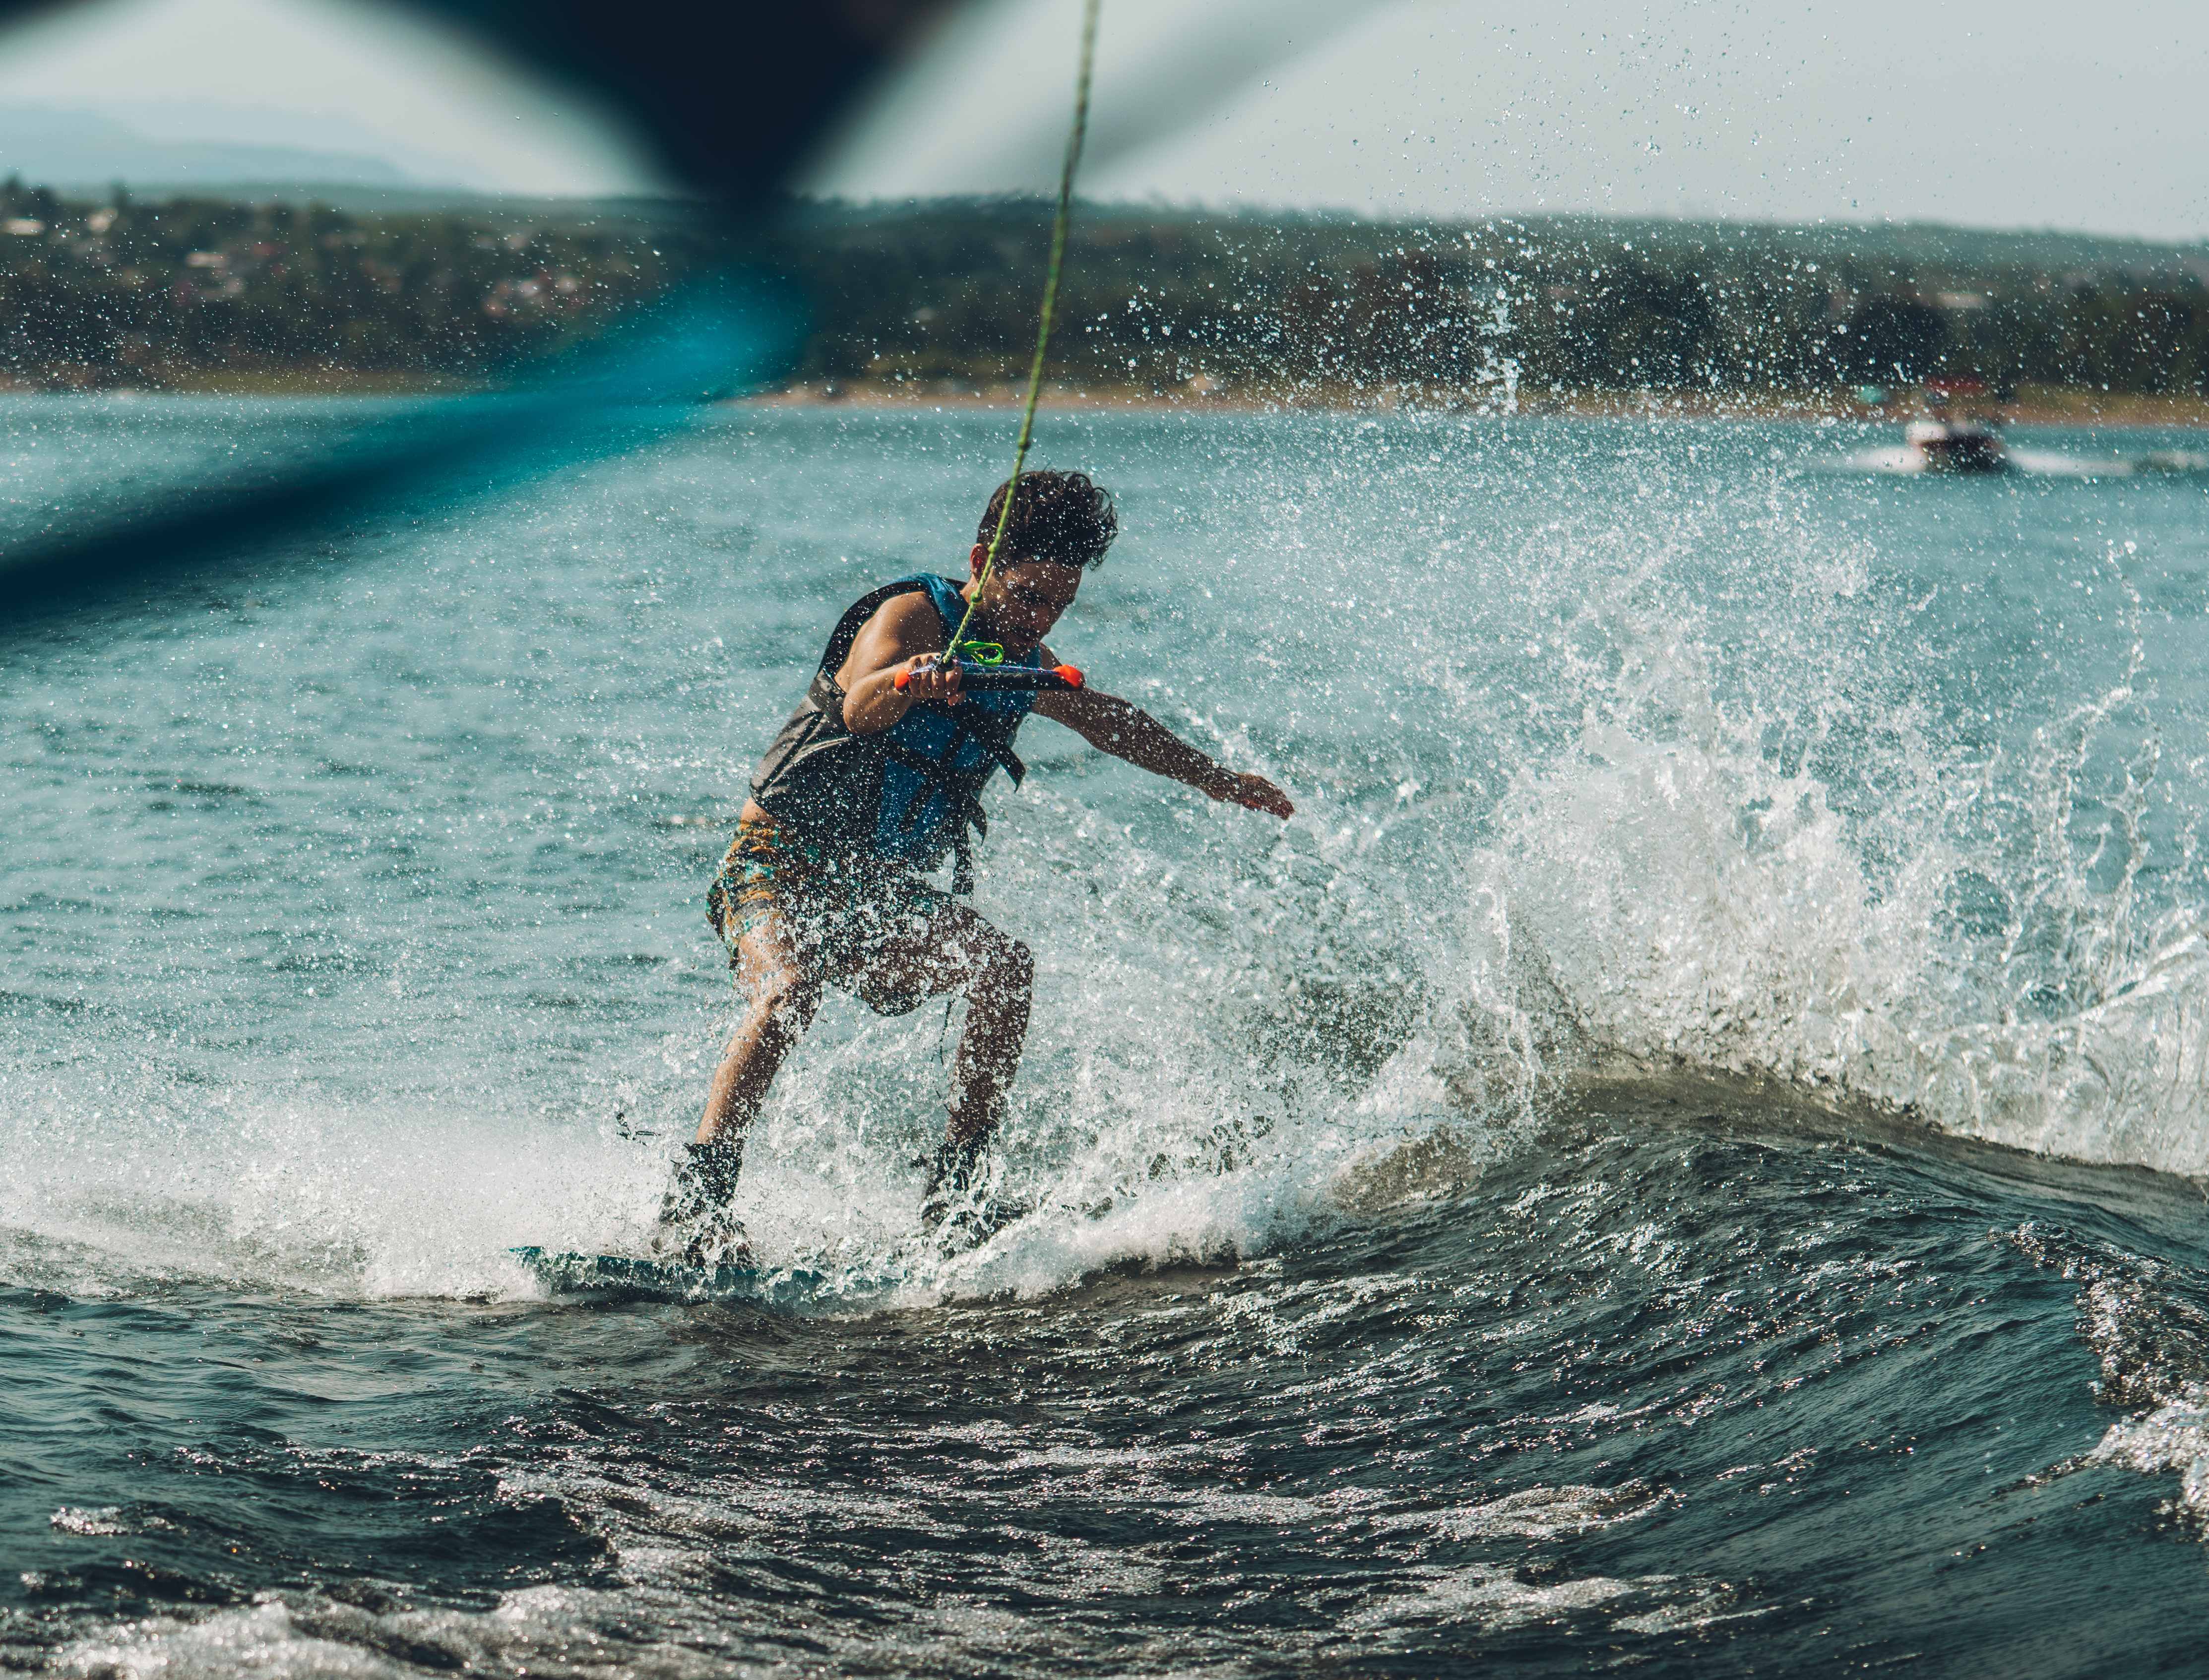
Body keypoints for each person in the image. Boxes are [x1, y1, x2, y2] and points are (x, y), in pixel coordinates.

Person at [661, 469, 1293, 1262]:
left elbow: (1110, 724)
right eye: (1029, 595)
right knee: (789, 989)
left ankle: (957, 1195)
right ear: (980, 561)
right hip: (776, 867)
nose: (1041, 619)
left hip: (875, 895)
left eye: (1058, 604)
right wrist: (909, 680)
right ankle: (697, 1206)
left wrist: (1218, 781)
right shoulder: (913, 614)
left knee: (1002, 966)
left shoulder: (1024, 659)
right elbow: (860, 705)